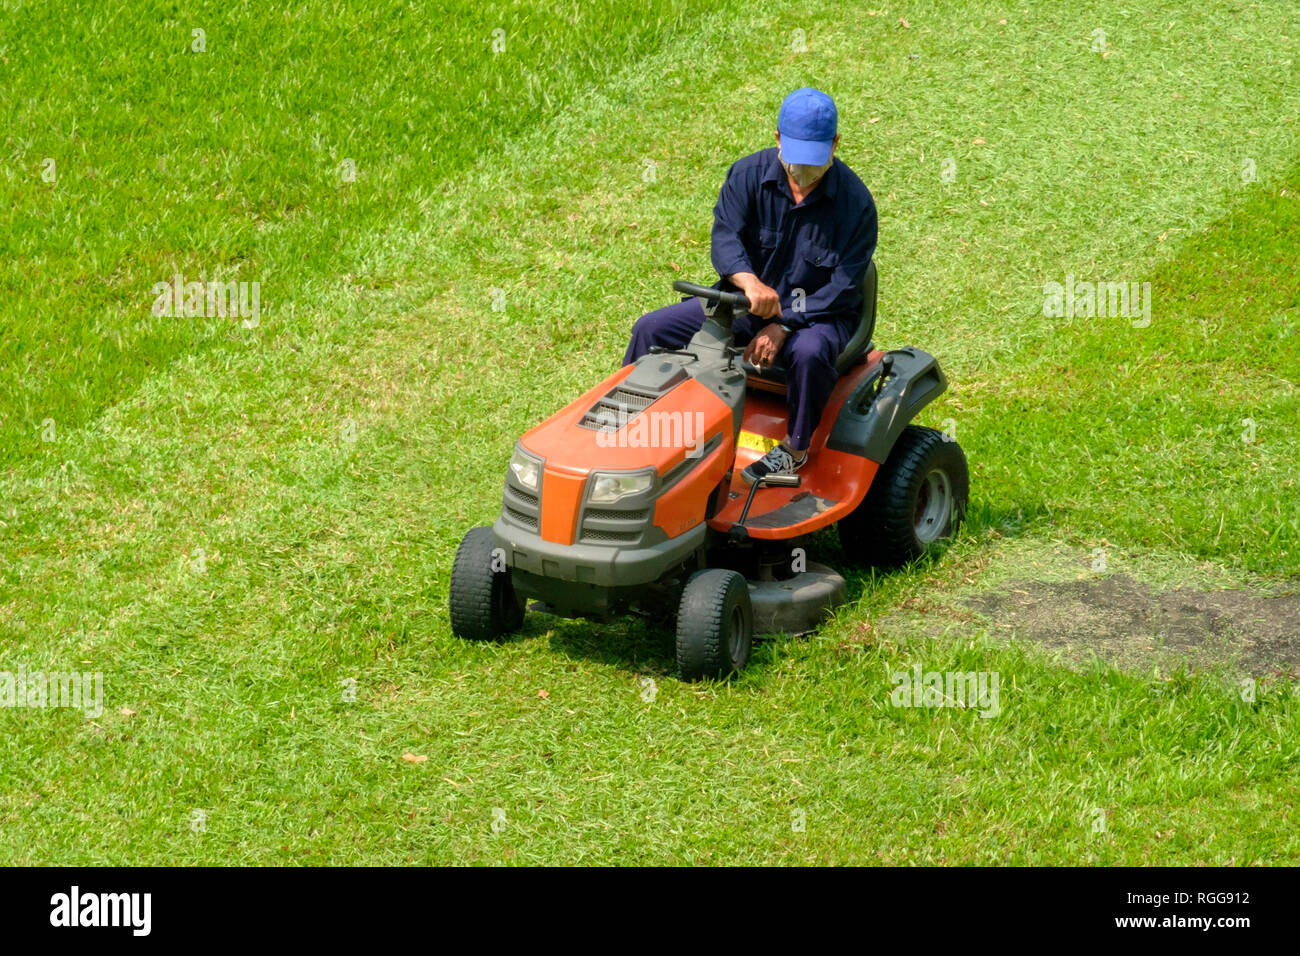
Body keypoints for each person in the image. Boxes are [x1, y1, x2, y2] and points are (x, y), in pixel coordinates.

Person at [622, 88, 877, 484]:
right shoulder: (746, 176)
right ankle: (628, 420)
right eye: (797, 160)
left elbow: (842, 287)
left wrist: (784, 323)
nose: (804, 173)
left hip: (818, 316)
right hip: (743, 305)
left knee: (809, 354)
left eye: (815, 162)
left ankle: (795, 448)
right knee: (651, 328)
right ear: (777, 138)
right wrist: (749, 282)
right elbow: (725, 239)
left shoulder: (856, 205)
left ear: (836, 145)